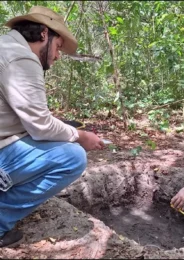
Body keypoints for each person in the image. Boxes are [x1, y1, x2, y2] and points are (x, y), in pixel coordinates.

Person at [0, 6, 105, 247]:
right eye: (58, 47)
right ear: (44, 34)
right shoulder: (21, 58)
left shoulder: (5, 46)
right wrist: (80, 135)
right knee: (72, 157)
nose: (57, 56)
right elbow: (40, 126)